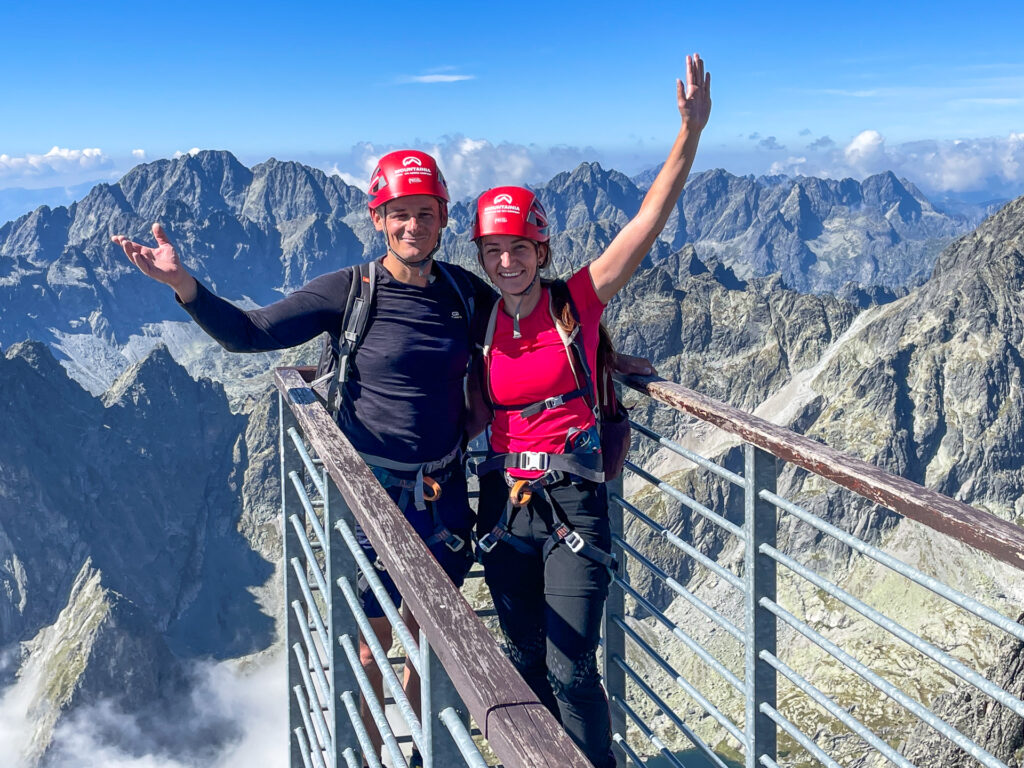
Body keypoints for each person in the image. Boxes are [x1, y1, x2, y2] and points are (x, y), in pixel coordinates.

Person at [111, 149, 491, 767]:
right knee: (373, 649)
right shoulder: (349, 291)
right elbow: (250, 334)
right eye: (399, 214)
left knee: (436, 641)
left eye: (425, 213)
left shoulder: (464, 294)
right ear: (378, 219)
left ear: (444, 219)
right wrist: (182, 284)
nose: (412, 226)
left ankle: (423, 758)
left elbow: (535, 325)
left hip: (443, 496)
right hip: (373, 499)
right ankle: (372, 756)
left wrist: (607, 358)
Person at [470, 54, 711, 768]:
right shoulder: (476, 315)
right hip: (502, 503)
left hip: (574, 503)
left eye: (518, 248)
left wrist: (689, 133)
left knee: (572, 666)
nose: (507, 261)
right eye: (493, 250)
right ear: (481, 257)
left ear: (540, 248)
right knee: (523, 658)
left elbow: (648, 219)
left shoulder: (576, 301)